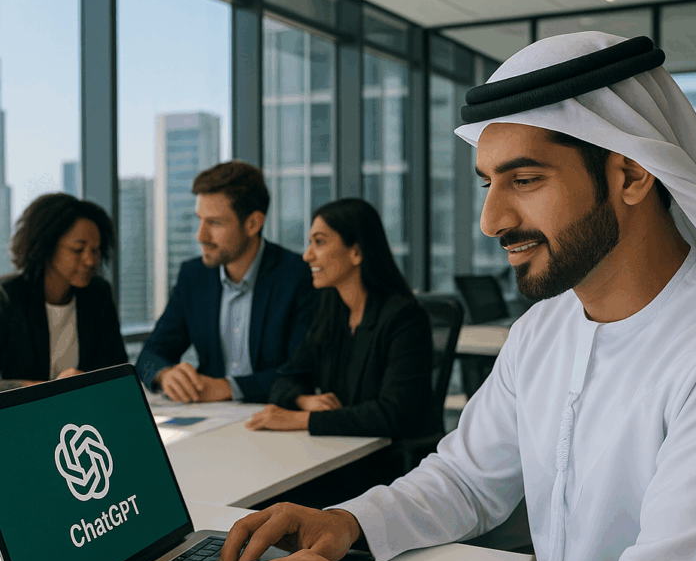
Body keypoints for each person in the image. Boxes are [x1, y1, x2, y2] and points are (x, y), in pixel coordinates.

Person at [204, 32, 696, 561]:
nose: (492, 220)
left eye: (525, 179)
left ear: (632, 173)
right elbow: (467, 479)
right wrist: (346, 523)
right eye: (487, 185)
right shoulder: (543, 330)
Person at [244, 197, 434, 504]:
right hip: (337, 455)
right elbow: (286, 378)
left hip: (387, 471)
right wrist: (305, 401)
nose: (307, 255)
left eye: (319, 242)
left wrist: (300, 420)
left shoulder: (403, 317)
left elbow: (394, 414)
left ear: (356, 251)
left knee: (269, 501)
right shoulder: (331, 310)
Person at [136, 161, 317, 404]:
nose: (201, 236)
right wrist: (164, 374)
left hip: (277, 418)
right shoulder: (193, 276)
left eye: (215, 223)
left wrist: (229, 388)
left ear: (253, 223)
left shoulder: (298, 276)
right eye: (200, 220)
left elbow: (303, 372)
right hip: (212, 421)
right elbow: (148, 357)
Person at [0, 193, 127, 385]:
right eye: (77, 249)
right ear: (47, 245)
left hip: (83, 410)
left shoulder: (98, 294)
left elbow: (116, 370)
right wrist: (41, 390)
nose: (90, 260)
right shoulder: (7, 296)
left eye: (95, 250)